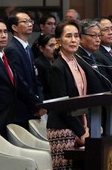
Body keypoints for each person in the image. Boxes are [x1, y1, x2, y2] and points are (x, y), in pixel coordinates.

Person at [47, 19, 89, 169]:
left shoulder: (77, 62)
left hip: (78, 124)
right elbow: (62, 106)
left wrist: (86, 126)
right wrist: (81, 131)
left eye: (76, 36)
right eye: (68, 36)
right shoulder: (58, 67)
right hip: (62, 129)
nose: (73, 40)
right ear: (58, 41)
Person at [5, 10, 47, 129]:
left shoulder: (27, 47)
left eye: (31, 21)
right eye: (25, 21)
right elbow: (20, 81)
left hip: (34, 106)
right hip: (23, 109)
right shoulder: (12, 49)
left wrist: (40, 102)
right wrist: (35, 105)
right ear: (14, 27)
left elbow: (36, 77)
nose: (30, 24)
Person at [35, 34, 56, 100]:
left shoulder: (53, 61)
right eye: (51, 45)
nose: (55, 48)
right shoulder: (39, 64)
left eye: (56, 45)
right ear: (41, 48)